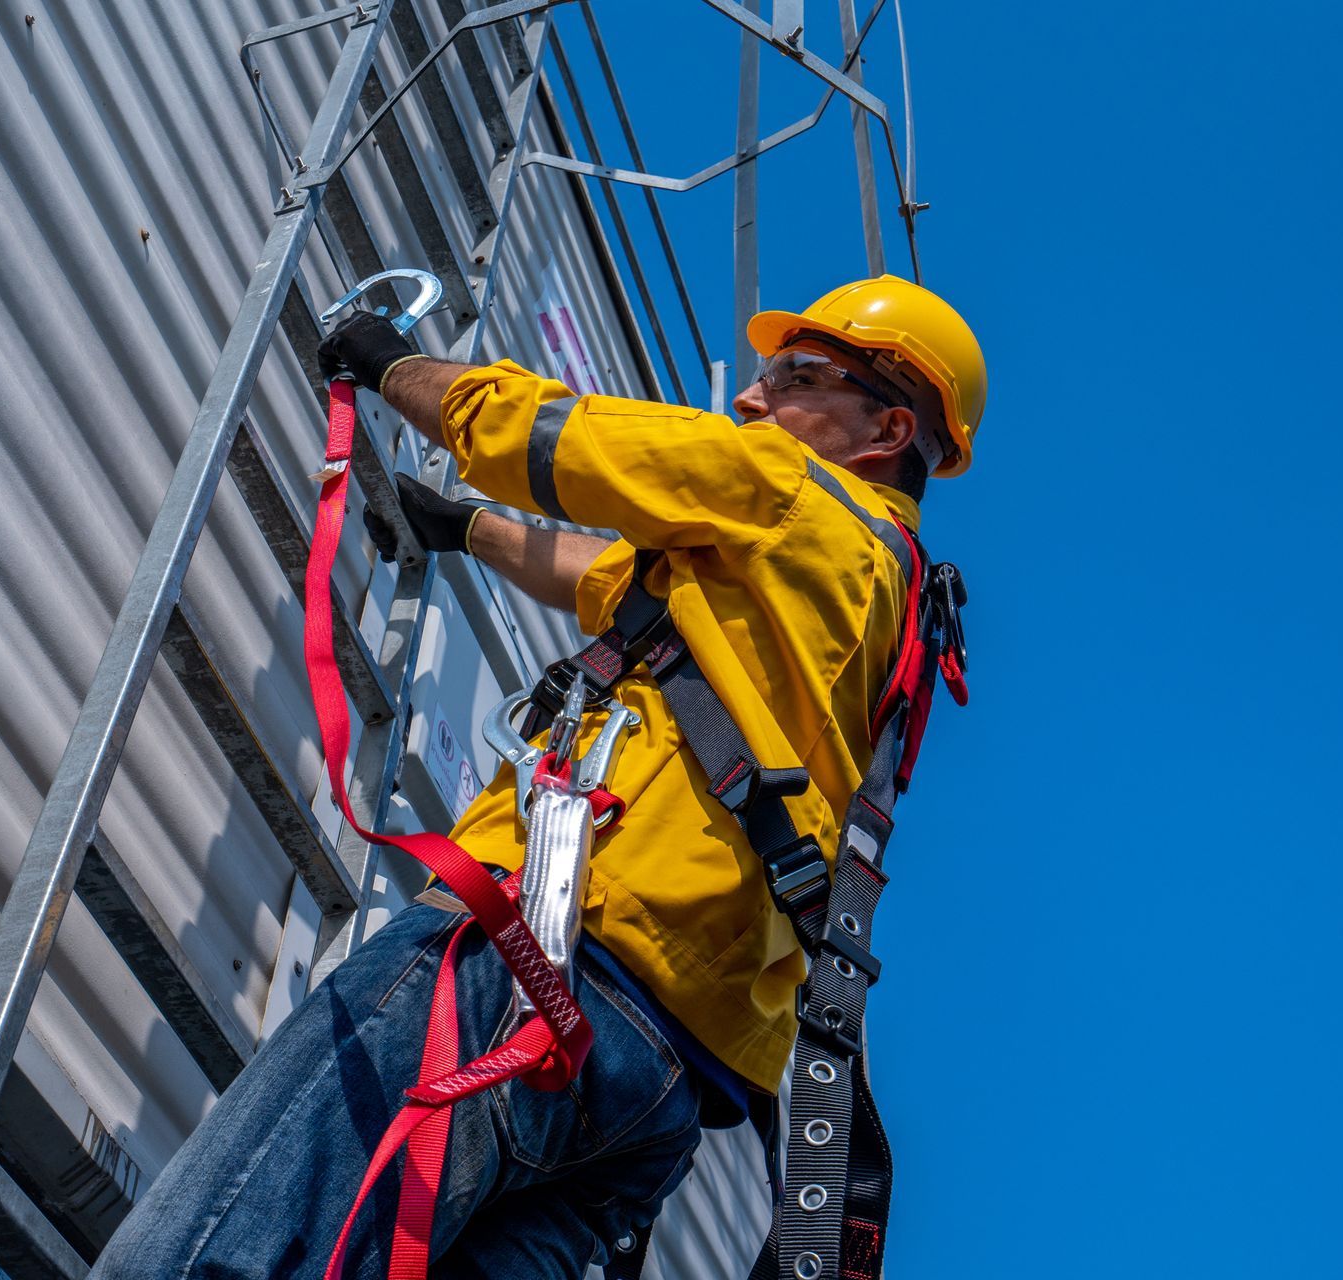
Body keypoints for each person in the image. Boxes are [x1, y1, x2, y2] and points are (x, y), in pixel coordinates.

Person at [89, 276, 986, 1279]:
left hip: (538, 954)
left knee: (207, 1258)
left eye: (800, 376)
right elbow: (609, 584)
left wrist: (392, 365)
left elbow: (567, 440)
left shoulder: (789, 490)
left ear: (888, 427)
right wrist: (465, 526)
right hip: (659, 1086)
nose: (754, 398)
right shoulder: (879, 604)